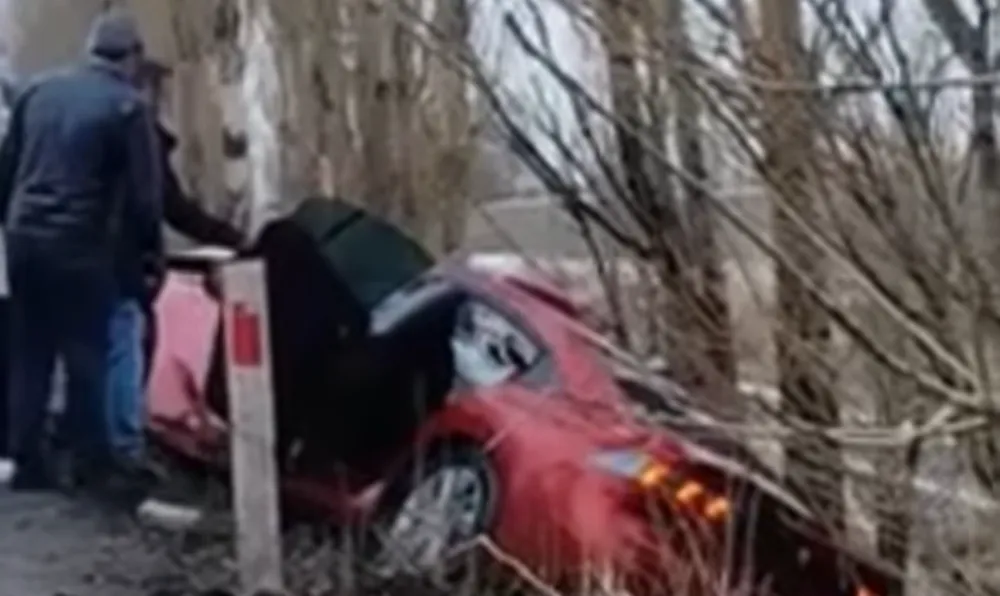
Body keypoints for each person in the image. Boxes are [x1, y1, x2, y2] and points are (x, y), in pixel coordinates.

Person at [0, 9, 162, 490]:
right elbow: (145, 196)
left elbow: (6, 172)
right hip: (80, 244)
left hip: (24, 241)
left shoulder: (36, 92)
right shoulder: (128, 107)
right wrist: (150, 256)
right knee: (86, 352)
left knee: (31, 351)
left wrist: (11, 230)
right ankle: (91, 463)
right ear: (133, 57)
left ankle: (28, 460)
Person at [103, 55, 245, 478]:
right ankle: (124, 447)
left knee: (95, 347)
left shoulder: (101, 124)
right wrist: (233, 239)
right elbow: (168, 206)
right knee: (129, 340)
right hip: (121, 258)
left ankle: (95, 441)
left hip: (76, 252)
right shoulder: (137, 129)